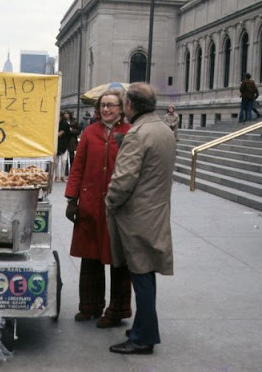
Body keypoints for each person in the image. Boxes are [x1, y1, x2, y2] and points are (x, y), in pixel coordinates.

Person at [105, 83, 176, 355]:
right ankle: (142, 327)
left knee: (141, 276)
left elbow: (123, 180)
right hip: (156, 211)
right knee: (146, 274)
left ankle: (144, 336)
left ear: (130, 106)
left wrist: (110, 201)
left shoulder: (138, 133)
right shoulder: (163, 130)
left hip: (137, 216)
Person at [65, 90, 132, 329]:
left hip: (117, 207)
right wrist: (72, 199)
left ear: (122, 108)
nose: (106, 110)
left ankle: (117, 309)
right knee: (90, 257)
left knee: (118, 260)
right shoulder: (90, 133)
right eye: (103, 105)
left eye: (112, 105)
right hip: (91, 204)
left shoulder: (129, 133)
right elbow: (78, 167)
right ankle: (90, 306)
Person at [55, 111, 71, 182]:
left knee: (64, 161)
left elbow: (68, 135)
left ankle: (62, 176)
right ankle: (56, 176)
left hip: (64, 144)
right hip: (56, 144)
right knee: (55, 161)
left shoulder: (65, 124)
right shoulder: (54, 124)